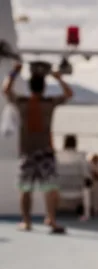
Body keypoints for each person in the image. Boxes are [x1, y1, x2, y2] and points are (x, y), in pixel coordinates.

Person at [2, 61, 72, 233]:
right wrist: (58, 78)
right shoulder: (49, 103)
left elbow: (5, 90)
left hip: (28, 152)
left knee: (26, 189)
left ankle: (27, 222)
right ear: (44, 88)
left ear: (29, 87)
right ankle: (52, 220)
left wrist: (14, 72)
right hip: (46, 152)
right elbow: (69, 94)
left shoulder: (22, 102)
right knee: (50, 188)